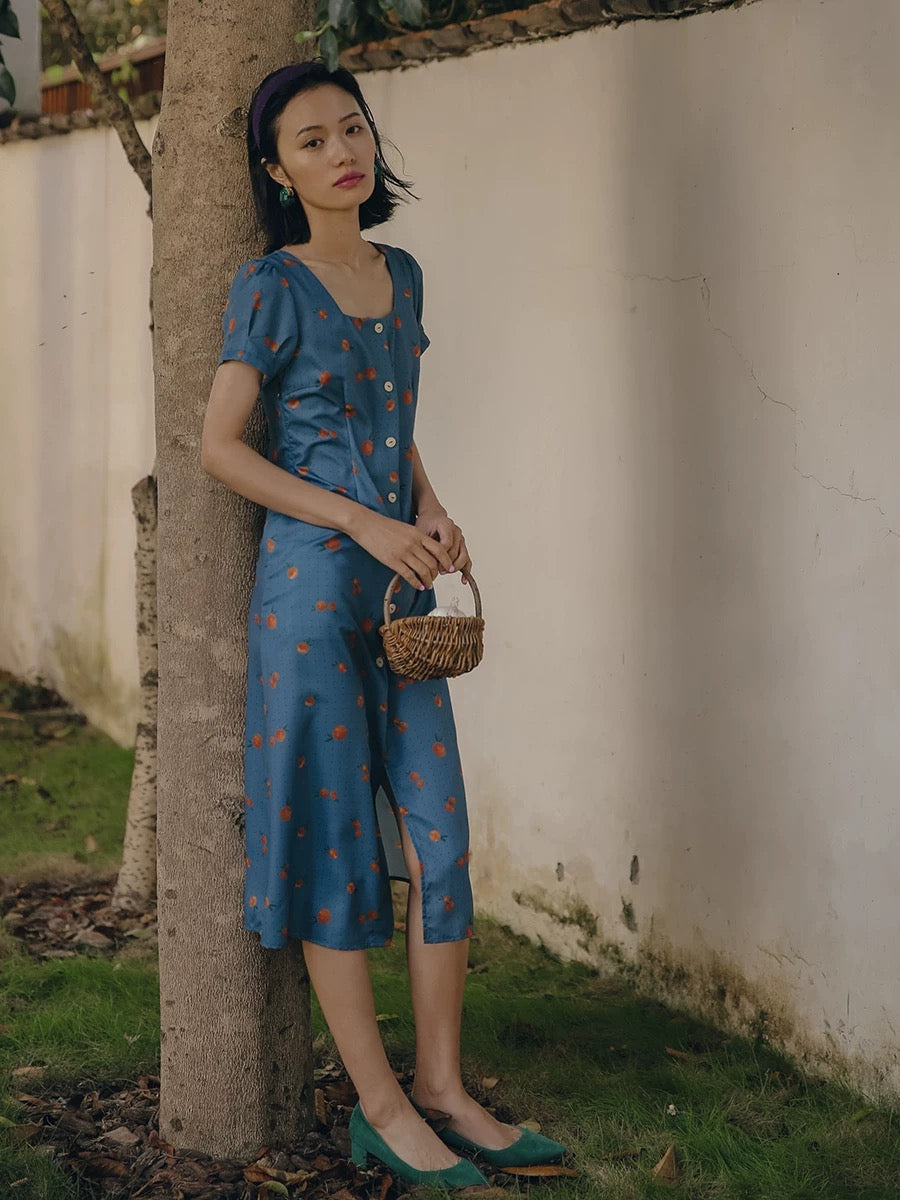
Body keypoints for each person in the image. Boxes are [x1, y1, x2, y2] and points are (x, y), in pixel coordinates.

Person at [200, 60, 566, 1189]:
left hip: (400, 586)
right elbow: (222, 448)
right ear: (277, 170)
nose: (340, 151)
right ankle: (381, 1106)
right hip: (312, 592)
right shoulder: (270, 284)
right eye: (309, 141)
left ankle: (448, 1089)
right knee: (336, 852)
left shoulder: (402, 275)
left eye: (349, 128)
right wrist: (363, 520)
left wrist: (433, 508)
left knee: (442, 838)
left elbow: (389, 423)